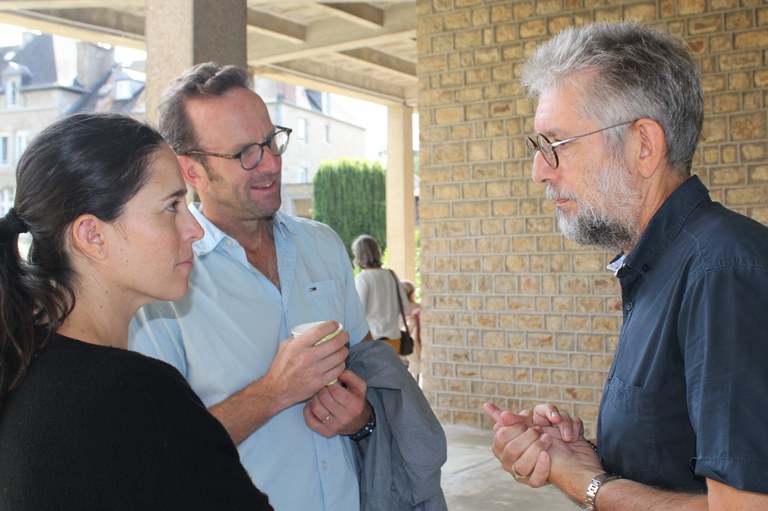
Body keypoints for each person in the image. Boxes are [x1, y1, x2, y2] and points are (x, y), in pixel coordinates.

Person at [484, 21, 768, 510]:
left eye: (557, 144)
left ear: (644, 145)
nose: (539, 171)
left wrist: (584, 483)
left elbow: (743, 507)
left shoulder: (722, 271)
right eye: (538, 147)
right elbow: (675, 457)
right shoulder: (660, 265)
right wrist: (583, 455)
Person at [129, 63, 373, 511]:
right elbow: (160, 452)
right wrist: (274, 391)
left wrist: (361, 417)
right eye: (245, 153)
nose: (272, 163)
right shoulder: (161, 286)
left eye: (271, 141)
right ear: (191, 170)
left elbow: (370, 368)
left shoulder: (322, 244)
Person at [0, 113, 272, 510]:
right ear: (93, 236)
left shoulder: (21, 364)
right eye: (172, 206)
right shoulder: (136, 394)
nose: (195, 230)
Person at [351, 234, 409, 355]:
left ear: (358, 255)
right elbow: (404, 305)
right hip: (394, 337)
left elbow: (358, 312)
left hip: (373, 339)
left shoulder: (363, 278)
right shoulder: (391, 275)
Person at [401, 280, 422, 381]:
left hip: (400, 350)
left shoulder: (394, 310)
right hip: (416, 349)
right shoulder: (419, 308)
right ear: (412, 293)